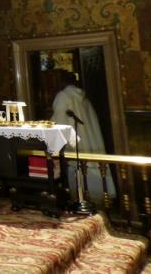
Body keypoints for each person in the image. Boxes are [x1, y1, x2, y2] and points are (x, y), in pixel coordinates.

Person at [51, 70, 115, 203]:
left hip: (75, 145)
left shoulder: (63, 96)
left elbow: (59, 124)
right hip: (90, 142)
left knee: (78, 180)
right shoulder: (84, 97)